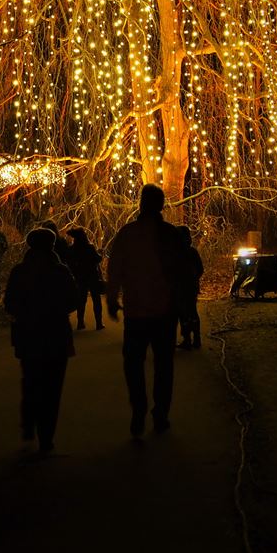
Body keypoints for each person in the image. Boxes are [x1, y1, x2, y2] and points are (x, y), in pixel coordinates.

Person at [106, 184, 182, 437]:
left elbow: (115, 267)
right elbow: (181, 273)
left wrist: (111, 298)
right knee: (163, 365)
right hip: (164, 312)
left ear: (140, 203)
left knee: (134, 364)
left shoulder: (128, 233)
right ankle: (160, 414)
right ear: (161, 206)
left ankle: (139, 408)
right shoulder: (170, 234)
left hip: (136, 312)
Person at [3, 227, 79, 454]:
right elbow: (73, 301)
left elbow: (10, 303)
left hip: (28, 333)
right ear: (52, 246)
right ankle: (47, 436)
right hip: (56, 334)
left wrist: (26, 312)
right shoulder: (60, 271)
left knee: (30, 379)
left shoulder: (19, 272)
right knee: (53, 387)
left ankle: (29, 422)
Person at [66, 227, 106, 330]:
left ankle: (80, 322)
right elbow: (96, 259)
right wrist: (101, 254)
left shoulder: (72, 249)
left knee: (81, 300)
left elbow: (69, 263)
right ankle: (98, 323)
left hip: (80, 277)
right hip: (92, 276)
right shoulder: (89, 247)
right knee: (96, 299)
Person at [173, 225, 204, 350]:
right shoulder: (192, 251)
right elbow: (200, 269)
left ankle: (188, 340)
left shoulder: (175, 253)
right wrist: (194, 279)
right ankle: (196, 340)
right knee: (192, 312)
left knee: (183, 314)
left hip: (181, 288)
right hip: (191, 287)